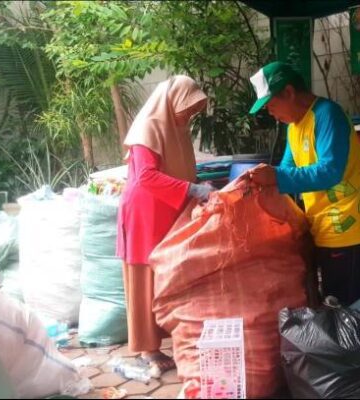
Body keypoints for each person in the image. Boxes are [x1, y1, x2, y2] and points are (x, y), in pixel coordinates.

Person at [247, 61, 360, 305]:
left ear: (289, 92)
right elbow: (287, 168)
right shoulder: (294, 127)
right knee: (335, 297)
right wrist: (266, 181)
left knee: (346, 301)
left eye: (270, 105)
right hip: (324, 222)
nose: (270, 113)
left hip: (348, 221)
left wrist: (276, 177)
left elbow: (330, 171)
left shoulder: (327, 115)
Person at [116, 76, 214, 374]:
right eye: (187, 109)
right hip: (144, 212)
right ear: (172, 102)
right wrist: (193, 190)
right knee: (144, 275)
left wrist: (200, 185)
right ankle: (147, 348)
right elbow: (146, 176)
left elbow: (179, 169)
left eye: (193, 112)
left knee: (168, 271)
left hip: (169, 209)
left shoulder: (176, 129)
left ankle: (171, 334)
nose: (189, 116)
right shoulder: (148, 128)